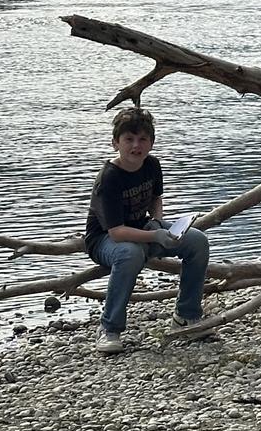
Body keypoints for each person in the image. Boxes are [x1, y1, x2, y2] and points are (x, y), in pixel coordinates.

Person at [83, 104, 212, 355]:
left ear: (151, 143)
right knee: (129, 254)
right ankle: (109, 329)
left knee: (197, 241)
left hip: (143, 229)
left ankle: (186, 316)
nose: (136, 146)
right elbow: (116, 233)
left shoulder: (152, 165)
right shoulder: (110, 177)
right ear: (115, 143)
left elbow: (155, 199)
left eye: (142, 139)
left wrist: (157, 220)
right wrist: (156, 234)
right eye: (129, 139)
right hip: (104, 240)